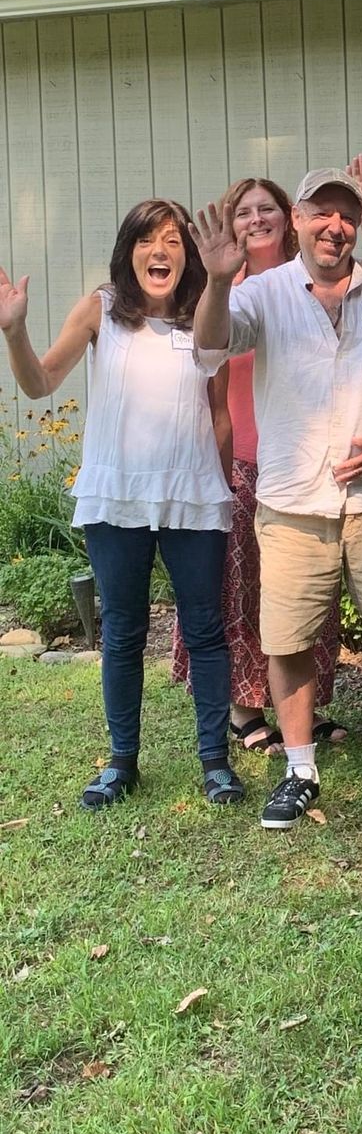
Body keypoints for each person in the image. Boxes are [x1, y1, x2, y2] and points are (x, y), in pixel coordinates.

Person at [192, 169, 362, 830]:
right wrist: (219, 280)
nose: (335, 226)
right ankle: (299, 768)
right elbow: (210, 345)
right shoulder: (263, 293)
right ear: (299, 221)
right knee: (288, 641)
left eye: (346, 215)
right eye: (321, 213)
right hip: (293, 500)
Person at [0, 201, 240, 809]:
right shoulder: (102, 310)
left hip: (191, 496)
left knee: (206, 631)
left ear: (188, 255)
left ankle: (216, 763)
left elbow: (219, 412)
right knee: (123, 633)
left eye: (172, 241)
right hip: (116, 497)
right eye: (145, 240)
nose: (159, 251)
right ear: (128, 249)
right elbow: (40, 382)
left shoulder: (204, 317)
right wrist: (13, 330)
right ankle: (122, 763)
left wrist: (222, 489)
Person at [169, 177, 345, 754]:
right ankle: (244, 709)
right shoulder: (226, 293)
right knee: (243, 593)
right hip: (245, 464)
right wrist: (217, 474)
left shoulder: (315, 280)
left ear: (290, 217)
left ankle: (302, 706)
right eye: (243, 212)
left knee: (306, 594)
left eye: (266, 208)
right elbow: (213, 395)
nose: (256, 219)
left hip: (311, 467)